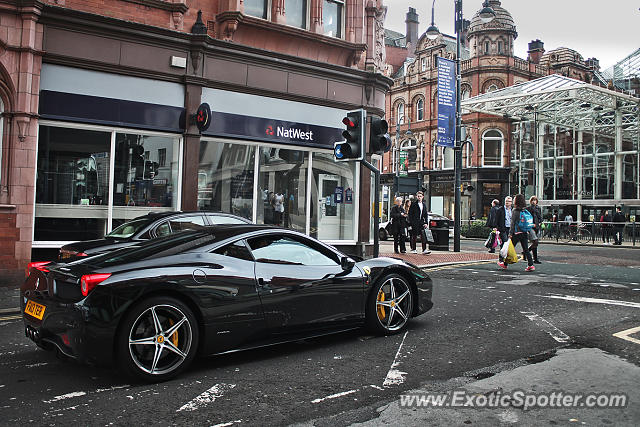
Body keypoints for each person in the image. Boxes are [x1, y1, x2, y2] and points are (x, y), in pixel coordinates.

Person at [499, 194, 534, 271]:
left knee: (509, 249)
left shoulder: (515, 211)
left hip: (516, 233)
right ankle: (531, 265)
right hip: (524, 232)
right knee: (526, 249)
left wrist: (510, 234)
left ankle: (505, 264)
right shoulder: (524, 210)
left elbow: (512, 223)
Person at [495, 196, 513, 265]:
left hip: (510, 228)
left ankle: (504, 259)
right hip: (503, 228)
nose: (507, 203)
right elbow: (496, 219)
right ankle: (501, 259)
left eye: (509, 201)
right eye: (506, 201)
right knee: (505, 243)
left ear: (511, 202)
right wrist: (496, 227)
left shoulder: (513, 210)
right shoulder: (500, 209)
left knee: (506, 244)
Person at [526, 196, 542, 264]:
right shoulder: (528, 208)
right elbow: (527, 218)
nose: (533, 201)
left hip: (537, 227)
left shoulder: (538, 208)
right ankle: (527, 252)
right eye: (532, 200)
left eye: (535, 200)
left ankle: (535, 258)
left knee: (535, 243)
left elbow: (540, 217)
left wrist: (539, 222)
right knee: (535, 241)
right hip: (531, 227)